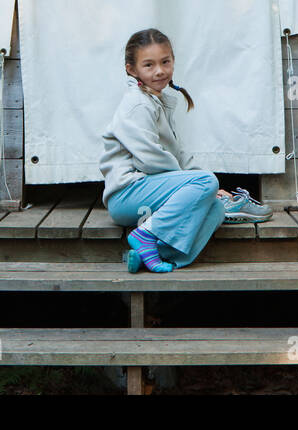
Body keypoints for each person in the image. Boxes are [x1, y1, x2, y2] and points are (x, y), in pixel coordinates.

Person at [98, 27, 270, 273]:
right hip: (127, 195)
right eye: (149, 65)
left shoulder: (156, 101)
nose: (159, 71)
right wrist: (197, 184)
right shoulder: (137, 105)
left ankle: (155, 254)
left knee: (216, 206)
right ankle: (147, 234)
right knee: (205, 182)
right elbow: (150, 160)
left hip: (149, 192)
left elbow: (177, 155)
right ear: (131, 69)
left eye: (165, 62)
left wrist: (207, 189)